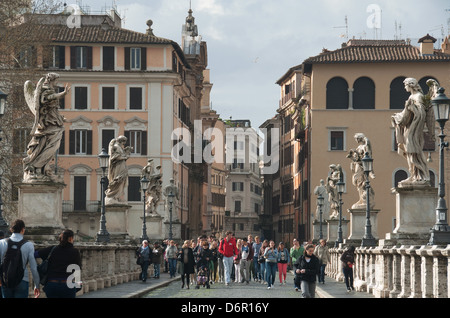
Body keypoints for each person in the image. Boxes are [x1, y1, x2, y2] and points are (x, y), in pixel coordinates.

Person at [23, 73, 68, 182]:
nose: (57, 83)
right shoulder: (45, 89)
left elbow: (51, 107)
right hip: (48, 124)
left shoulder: (49, 89)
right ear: (52, 80)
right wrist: (62, 94)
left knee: (52, 145)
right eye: (56, 80)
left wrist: (61, 119)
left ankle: (41, 168)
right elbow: (48, 98)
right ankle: (37, 165)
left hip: (53, 121)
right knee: (51, 145)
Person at [391, 77, 432, 185]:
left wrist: (410, 108)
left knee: (413, 151)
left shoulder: (419, 96)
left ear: (411, 85)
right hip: (409, 128)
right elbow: (406, 114)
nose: (404, 88)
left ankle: (422, 175)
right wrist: (398, 116)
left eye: (405, 85)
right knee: (409, 152)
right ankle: (414, 175)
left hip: (414, 129)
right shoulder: (411, 96)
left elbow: (421, 114)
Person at [35, 229, 81, 298]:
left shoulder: (52, 249)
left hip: (52, 284)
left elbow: (35, 254)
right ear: (71, 238)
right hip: (68, 284)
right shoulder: (75, 252)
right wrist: (77, 287)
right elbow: (77, 269)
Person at [0, 219, 40, 298]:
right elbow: (33, 268)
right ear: (23, 229)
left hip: (6, 279)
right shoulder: (29, 245)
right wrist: (37, 285)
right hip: (22, 279)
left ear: (11, 229)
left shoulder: (1, 243)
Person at [105, 135, 132, 205]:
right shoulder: (117, 147)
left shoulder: (119, 147)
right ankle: (114, 196)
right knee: (118, 180)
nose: (124, 144)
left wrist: (126, 154)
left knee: (121, 181)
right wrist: (124, 157)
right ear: (121, 141)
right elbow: (114, 157)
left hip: (121, 166)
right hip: (118, 166)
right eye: (124, 142)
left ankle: (117, 196)